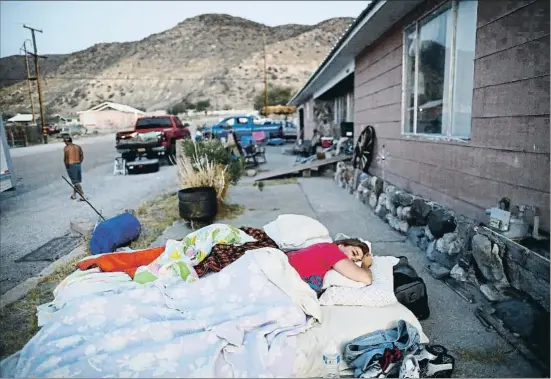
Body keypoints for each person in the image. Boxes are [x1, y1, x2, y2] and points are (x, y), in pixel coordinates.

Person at [287, 238, 373, 294]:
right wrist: (365, 265)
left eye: (354, 261)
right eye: (353, 253)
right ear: (341, 245)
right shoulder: (332, 251)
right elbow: (366, 278)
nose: (350, 259)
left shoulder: (325, 248)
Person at [63, 136, 85, 201]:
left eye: (65, 141)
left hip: (71, 165)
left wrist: (67, 166)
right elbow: (82, 156)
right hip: (78, 164)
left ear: (67, 141)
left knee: (75, 181)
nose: (64, 143)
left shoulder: (66, 148)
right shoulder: (78, 146)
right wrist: (79, 162)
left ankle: (82, 195)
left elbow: (66, 158)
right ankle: (74, 195)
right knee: (76, 180)